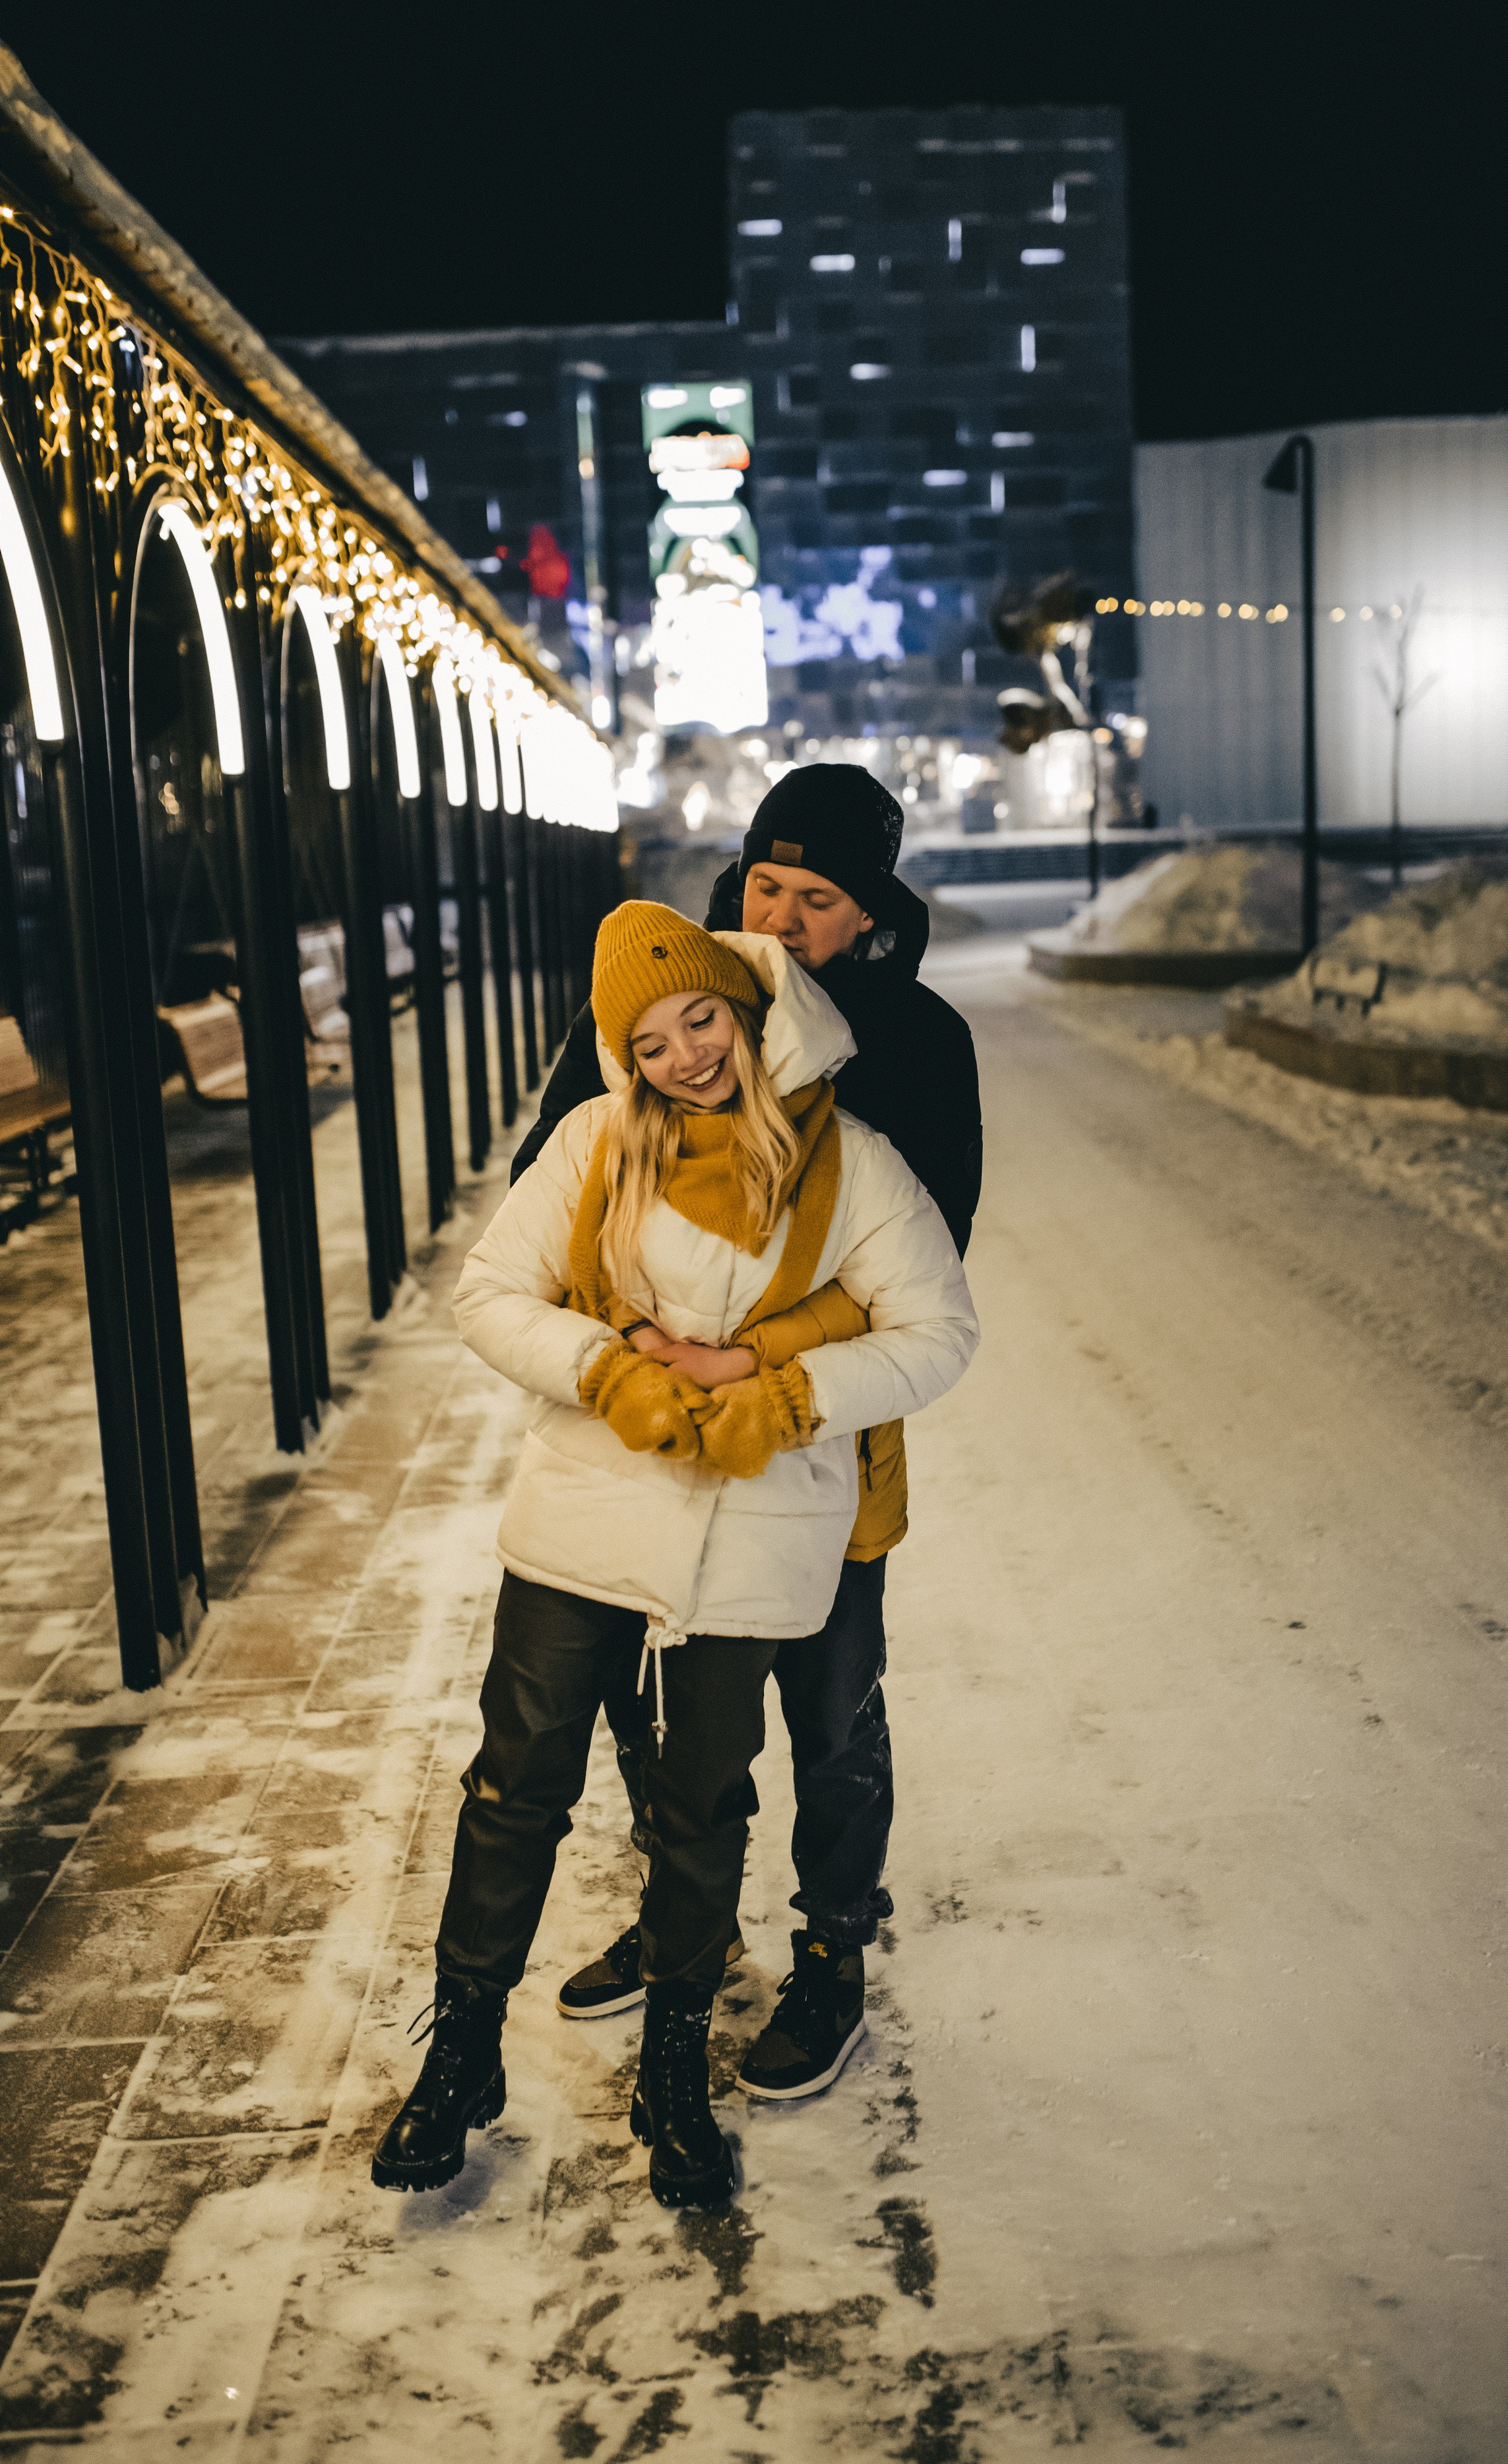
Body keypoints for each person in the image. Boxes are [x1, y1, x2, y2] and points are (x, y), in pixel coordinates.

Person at [370, 903, 976, 2211]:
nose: (684, 1055)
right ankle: (461, 2060)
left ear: (748, 1009)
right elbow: (487, 1292)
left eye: (700, 1017)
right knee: (512, 1789)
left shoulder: (852, 1162)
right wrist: (601, 1368)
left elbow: (939, 1332)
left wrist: (790, 1398)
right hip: (581, 1521)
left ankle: (671, 2079)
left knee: (700, 1808)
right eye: (648, 1040)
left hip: (748, 1543)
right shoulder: (594, 1144)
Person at [512, 766, 982, 2100]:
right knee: (661, 1715)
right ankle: (692, 1921)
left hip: (824, 1451)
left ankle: (831, 1956)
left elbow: (924, 1274)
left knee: (828, 1712)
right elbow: (555, 1178)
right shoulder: (670, 1011)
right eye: (764, 884)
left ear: (866, 918)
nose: (782, 913)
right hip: (655, 1453)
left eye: (815, 896)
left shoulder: (916, 1045)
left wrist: (751, 1356)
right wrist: (643, 1343)